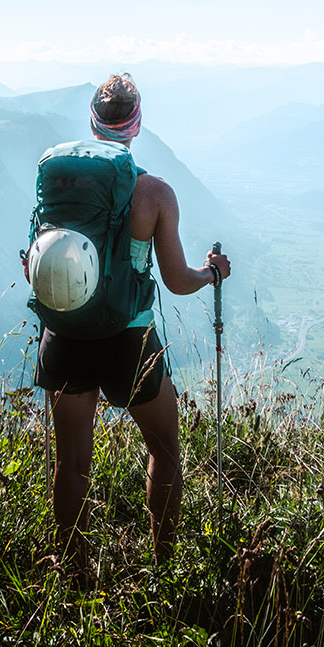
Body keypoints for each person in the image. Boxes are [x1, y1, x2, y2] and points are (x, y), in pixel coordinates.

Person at [28, 73, 230, 579]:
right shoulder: (154, 194)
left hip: (66, 334)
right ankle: (163, 568)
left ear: (93, 124)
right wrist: (213, 273)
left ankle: (74, 574)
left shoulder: (61, 184)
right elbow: (178, 280)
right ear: (136, 125)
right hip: (129, 340)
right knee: (164, 450)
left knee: (72, 464)